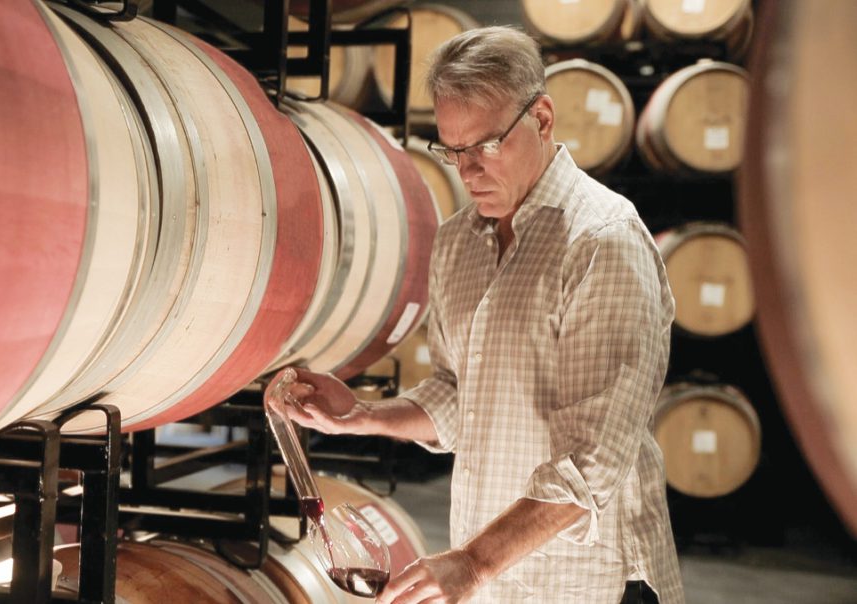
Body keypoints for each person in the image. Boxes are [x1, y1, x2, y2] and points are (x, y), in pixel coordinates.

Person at [273, 25, 684, 604]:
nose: (466, 172)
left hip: (589, 580)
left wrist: (471, 562)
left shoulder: (603, 242)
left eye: (485, 146)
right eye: (452, 150)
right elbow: (461, 394)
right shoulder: (458, 241)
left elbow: (593, 461)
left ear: (541, 118)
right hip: (497, 578)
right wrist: (363, 415)